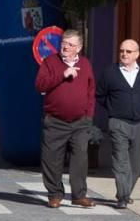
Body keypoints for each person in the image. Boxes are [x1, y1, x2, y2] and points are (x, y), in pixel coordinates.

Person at [34, 29, 96, 209]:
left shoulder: (85, 64)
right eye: (63, 43)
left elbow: (91, 91)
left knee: (80, 159)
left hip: (80, 122)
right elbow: (40, 85)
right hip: (55, 121)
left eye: (70, 44)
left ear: (79, 47)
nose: (65, 47)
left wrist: (89, 115)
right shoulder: (50, 62)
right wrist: (62, 75)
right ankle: (54, 195)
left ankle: (79, 195)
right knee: (51, 159)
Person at [96, 39, 140, 208]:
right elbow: (100, 95)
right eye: (122, 51)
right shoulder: (110, 73)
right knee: (120, 160)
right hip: (118, 123)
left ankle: (126, 191)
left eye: (129, 51)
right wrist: (113, 108)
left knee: (136, 162)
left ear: (137, 54)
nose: (124, 54)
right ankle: (123, 196)